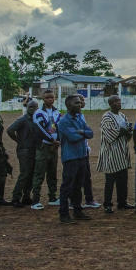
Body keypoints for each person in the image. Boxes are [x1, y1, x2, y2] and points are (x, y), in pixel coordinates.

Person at [57, 94, 93, 223]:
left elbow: (91, 133)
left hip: (81, 156)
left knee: (78, 186)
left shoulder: (79, 118)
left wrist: (80, 132)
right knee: (67, 186)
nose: (80, 105)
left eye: (79, 102)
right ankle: (64, 213)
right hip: (70, 157)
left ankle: (77, 211)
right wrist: (83, 132)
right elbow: (73, 138)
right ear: (68, 105)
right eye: (76, 103)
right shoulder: (63, 121)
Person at [97, 95, 133, 214]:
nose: (118, 103)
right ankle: (107, 204)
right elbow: (110, 135)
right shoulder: (106, 117)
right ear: (110, 104)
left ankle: (122, 202)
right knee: (110, 180)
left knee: (123, 179)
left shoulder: (122, 115)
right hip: (111, 153)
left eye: (119, 101)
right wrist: (122, 131)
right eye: (115, 102)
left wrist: (128, 131)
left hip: (122, 152)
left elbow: (127, 133)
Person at [30, 90, 61, 209]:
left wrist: (58, 141)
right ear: (43, 99)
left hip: (54, 147)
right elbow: (40, 130)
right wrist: (52, 140)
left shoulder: (57, 112)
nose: (50, 100)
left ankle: (52, 197)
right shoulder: (39, 113)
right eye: (47, 98)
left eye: (52, 97)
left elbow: (59, 127)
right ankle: (35, 200)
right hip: (43, 146)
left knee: (52, 173)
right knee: (39, 173)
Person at [6, 99, 39, 207]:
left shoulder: (36, 119)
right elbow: (10, 130)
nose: (33, 109)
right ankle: (16, 197)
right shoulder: (23, 119)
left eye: (35, 107)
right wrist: (18, 140)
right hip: (24, 150)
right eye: (31, 107)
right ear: (27, 108)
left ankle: (26, 196)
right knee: (24, 174)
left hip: (34, 149)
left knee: (31, 174)